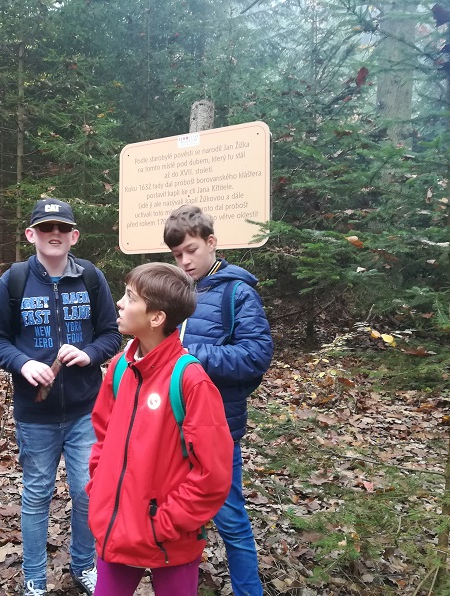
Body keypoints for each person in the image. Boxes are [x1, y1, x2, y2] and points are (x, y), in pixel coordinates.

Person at [0, 198, 121, 596]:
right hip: (35, 413)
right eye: (46, 228)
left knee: (85, 491)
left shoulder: (91, 277)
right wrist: (23, 363)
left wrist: (90, 354)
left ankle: (83, 565)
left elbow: (111, 334)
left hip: (85, 410)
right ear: (32, 235)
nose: (54, 234)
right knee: (37, 495)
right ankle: (34, 578)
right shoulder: (14, 280)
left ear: (74, 236)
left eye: (62, 228)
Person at [87, 262, 233, 595]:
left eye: (130, 297)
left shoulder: (191, 381)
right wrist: (99, 490)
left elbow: (213, 474)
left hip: (170, 540)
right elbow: (103, 437)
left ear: (156, 317)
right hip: (117, 530)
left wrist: (165, 523)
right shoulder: (121, 367)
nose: (119, 303)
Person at [163, 205, 274, 596]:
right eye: (177, 254)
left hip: (218, 428)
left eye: (191, 250)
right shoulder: (176, 292)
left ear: (211, 242)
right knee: (179, 516)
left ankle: (248, 591)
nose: (184, 261)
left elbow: (255, 356)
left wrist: (188, 353)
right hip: (172, 426)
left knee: (230, 519)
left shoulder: (237, 292)